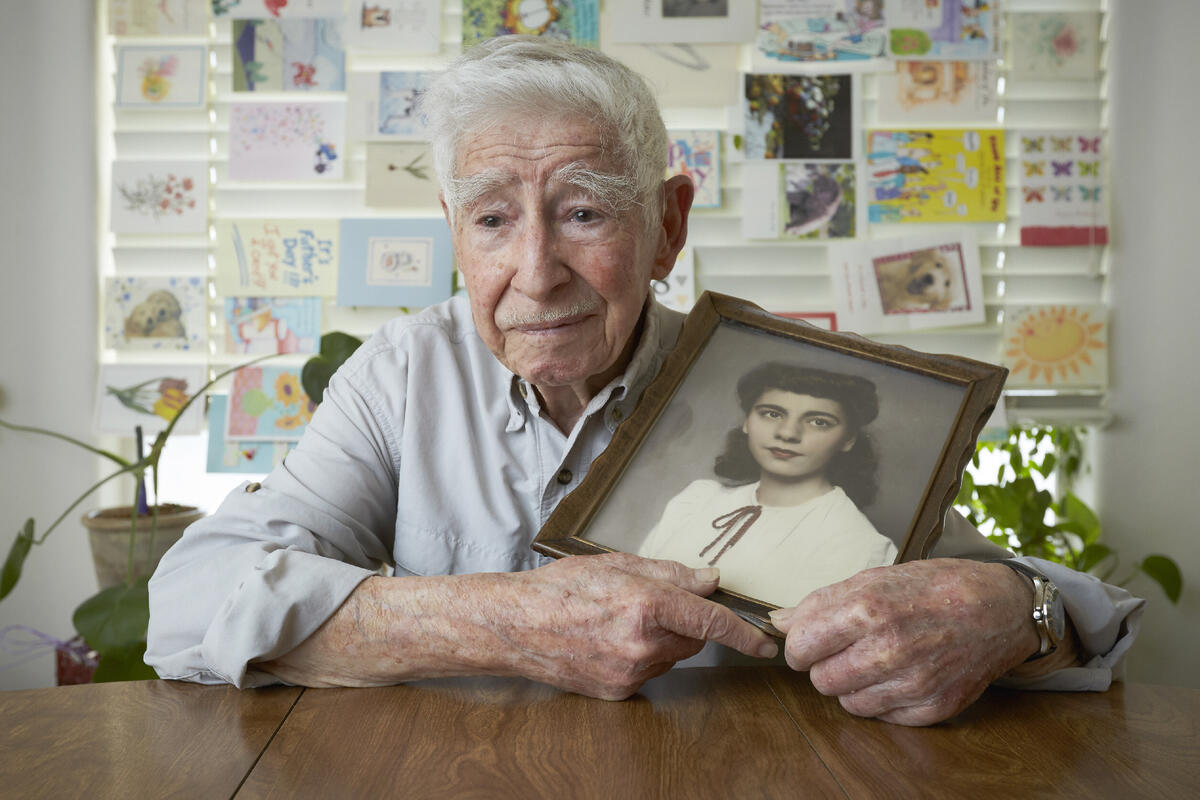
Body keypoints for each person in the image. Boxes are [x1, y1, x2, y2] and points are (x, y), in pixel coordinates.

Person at [146, 36, 1143, 727]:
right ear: (455, 234)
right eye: (493, 219)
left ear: (667, 223)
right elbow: (189, 601)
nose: (536, 271)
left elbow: (1060, 612)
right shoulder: (398, 375)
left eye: (583, 212)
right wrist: (509, 618)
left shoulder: (778, 383)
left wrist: (1013, 614)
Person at [637, 363, 897, 607]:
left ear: (848, 440)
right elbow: (633, 585)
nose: (787, 433)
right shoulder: (696, 500)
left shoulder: (862, 548)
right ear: (747, 422)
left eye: (818, 422)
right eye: (772, 414)